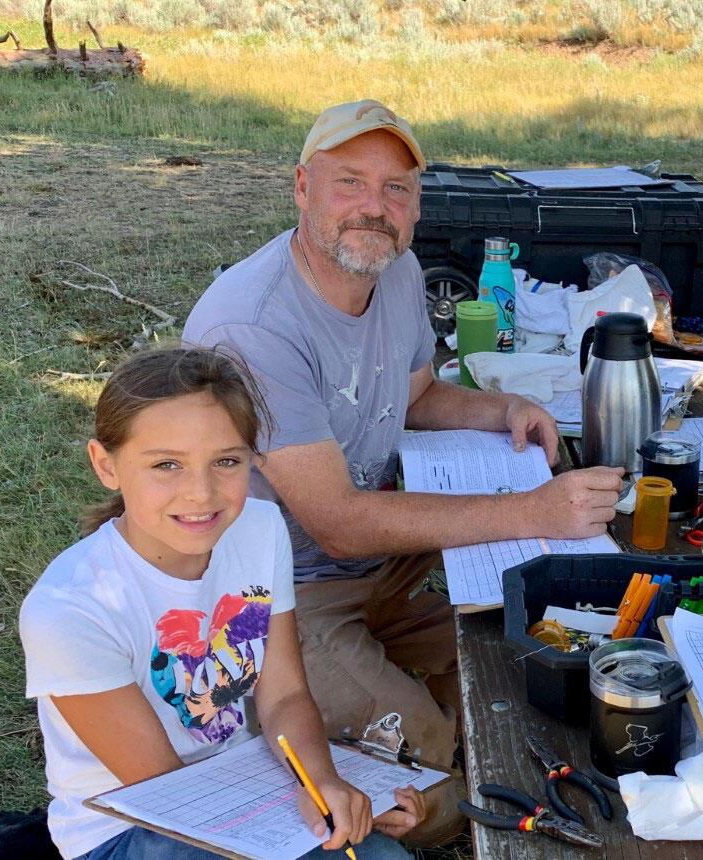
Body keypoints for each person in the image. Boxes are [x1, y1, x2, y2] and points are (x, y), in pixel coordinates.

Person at [182, 100, 623, 843]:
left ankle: (394, 724)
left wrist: (501, 409)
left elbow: (415, 395)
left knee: (530, 676)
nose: (374, 208)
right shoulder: (254, 327)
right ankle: (334, 747)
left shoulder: (395, 269)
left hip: (378, 571)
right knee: (453, 776)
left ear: (417, 204)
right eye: (350, 182)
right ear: (301, 188)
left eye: (397, 189)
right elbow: (339, 523)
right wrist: (532, 512)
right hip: (276, 596)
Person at [19, 348, 419, 860]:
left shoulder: (259, 528)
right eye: (167, 465)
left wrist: (324, 786)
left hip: (239, 779)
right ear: (106, 465)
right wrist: (301, 804)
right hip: (130, 824)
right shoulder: (69, 610)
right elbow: (168, 794)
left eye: (226, 461)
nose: (201, 493)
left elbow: (285, 697)